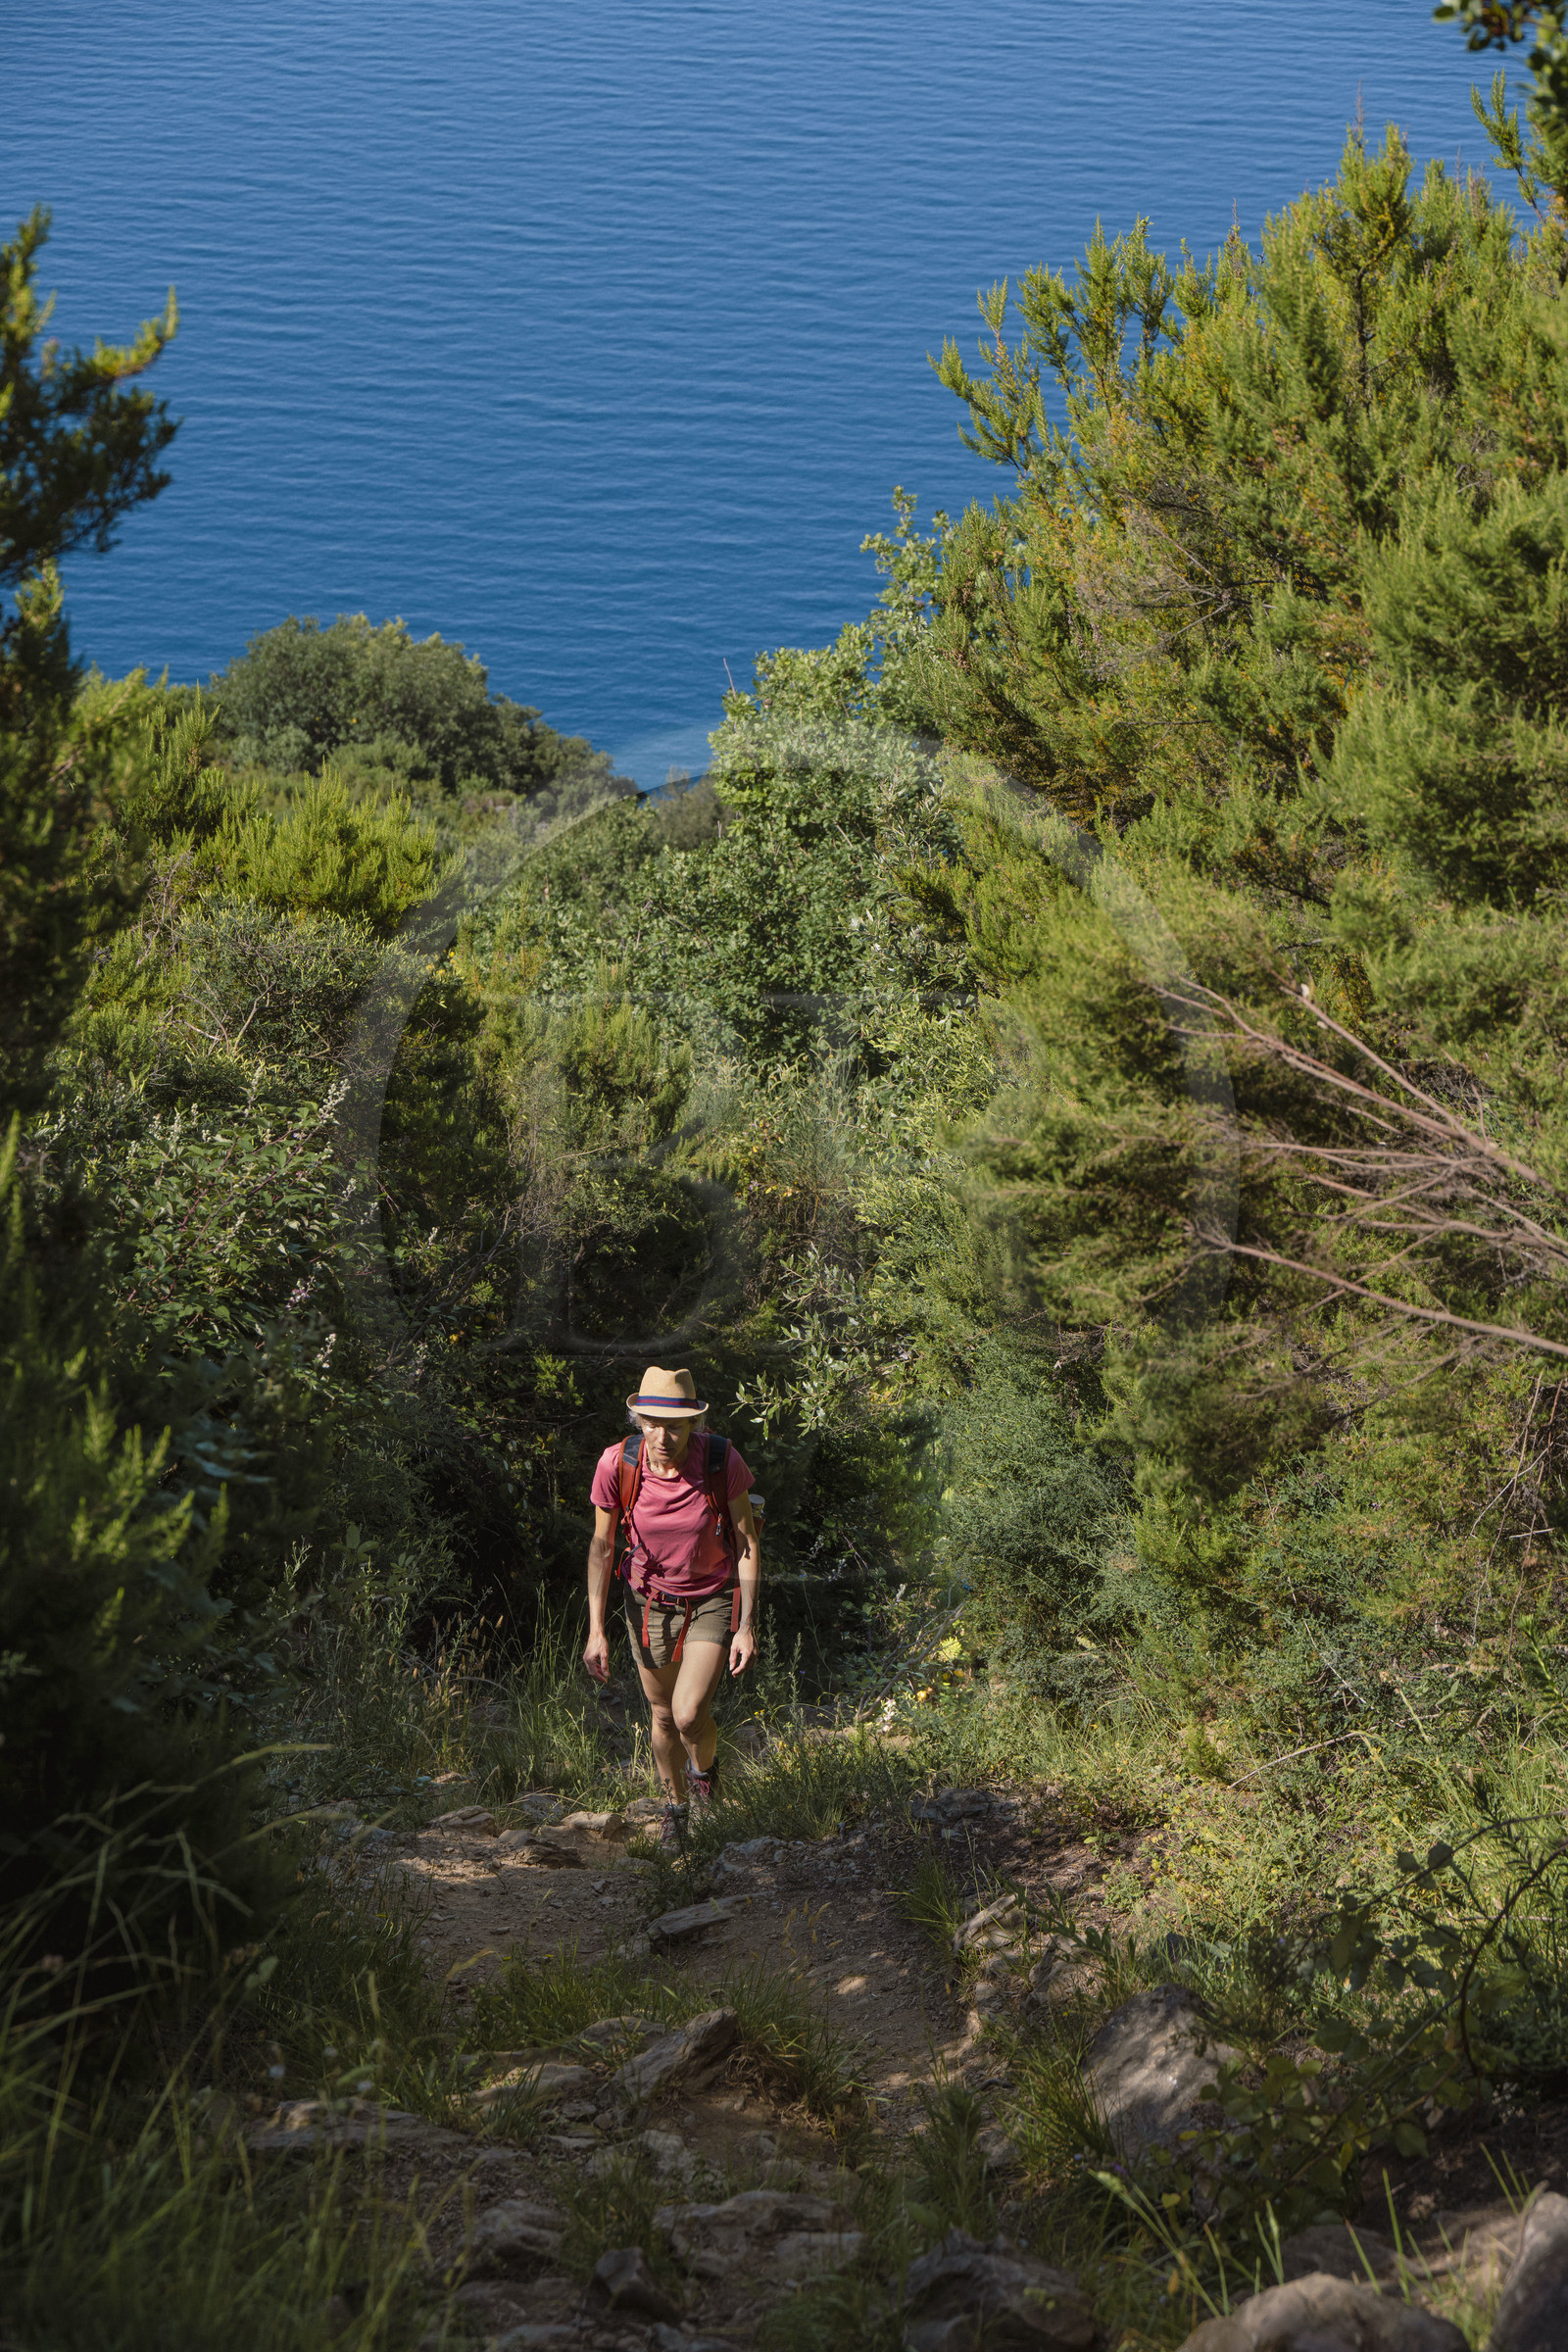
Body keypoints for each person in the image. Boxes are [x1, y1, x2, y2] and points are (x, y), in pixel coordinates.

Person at [583, 1365, 760, 1842]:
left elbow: (746, 1542)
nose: (663, 1436)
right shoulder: (617, 1464)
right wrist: (597, 1630)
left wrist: (746, 1625)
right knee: (661, 1715)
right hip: (648, 1601)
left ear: (694, 1425)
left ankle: (705, 1787)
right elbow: (602, 1548)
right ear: (639, 1421)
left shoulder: (721, 1461)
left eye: (675, 1425)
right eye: (653, 1424)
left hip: (712, 1597)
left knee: (687, 1712)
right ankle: (675, 1812)